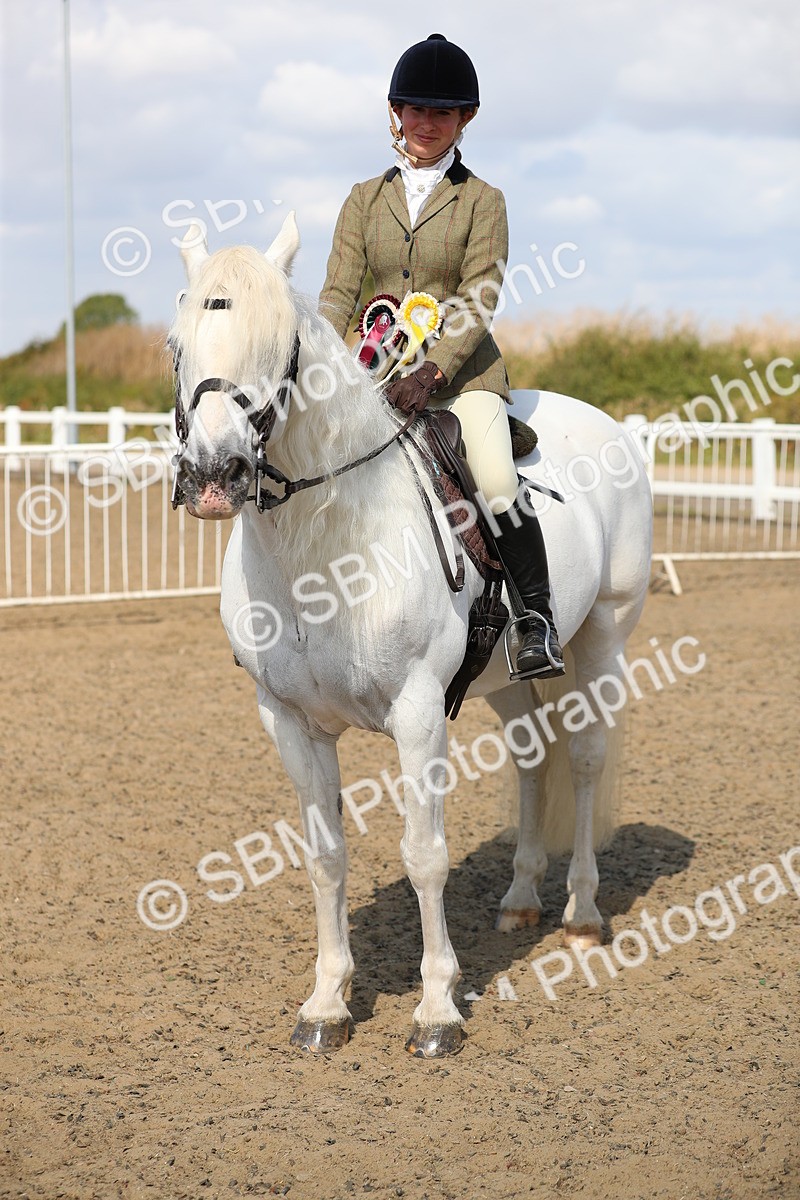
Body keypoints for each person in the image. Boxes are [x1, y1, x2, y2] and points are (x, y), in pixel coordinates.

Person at [319, 33, 564, 680]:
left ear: (466, 120)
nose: (425, 125)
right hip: (375, 374)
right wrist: (320, 361)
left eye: (442, 114)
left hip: (461, 378)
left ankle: (536, 620)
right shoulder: (362, 199)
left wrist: (432, 372)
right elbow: (339, 293)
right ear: (395, 112)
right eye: (414, 111)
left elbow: (480, 295)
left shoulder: (484, 201)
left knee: (494, 474)